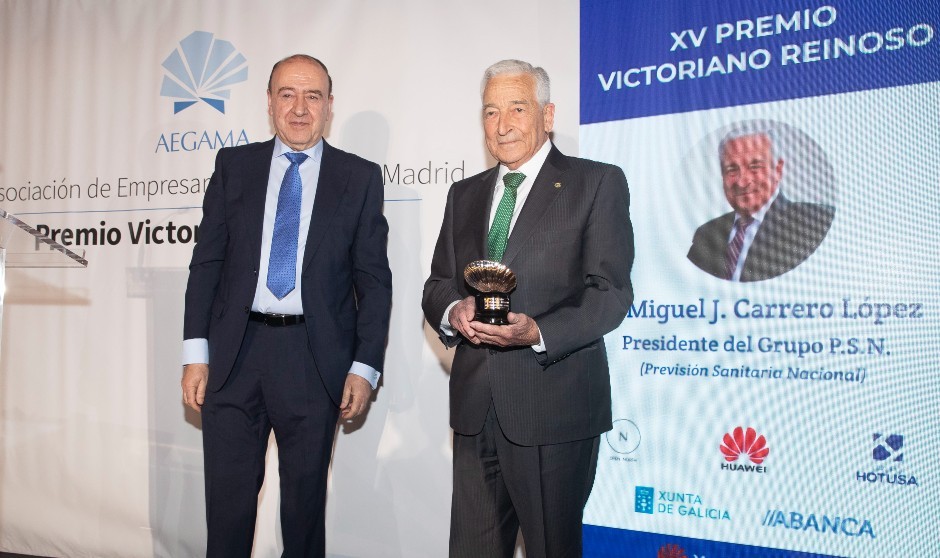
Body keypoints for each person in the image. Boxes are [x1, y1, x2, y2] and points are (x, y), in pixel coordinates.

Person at [180, 54, 392, 558]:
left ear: (329, 106)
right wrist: (195, 352)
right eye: (287, 95)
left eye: (312, 96)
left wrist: (364, 367)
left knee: (303, 515)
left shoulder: (359, 177)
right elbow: (206, 263)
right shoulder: (234, 167)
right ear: (269, 102)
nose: (299, 108)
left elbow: (374, 281)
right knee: (227, 512)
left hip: (313, 361)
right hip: (233, 357)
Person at [422, 59, 633, 558]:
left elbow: (609, 293)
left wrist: (538, 332)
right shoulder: (464, 194)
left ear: (547, 115)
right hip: (475, 409)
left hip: (553, 408)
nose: (503, 125)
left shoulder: (595, 182)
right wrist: (453, 310)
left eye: (517, 108)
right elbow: (438, 284)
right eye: (491, 111)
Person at [687, 126, 834, 281]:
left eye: (755, 167)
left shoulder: (815, 223)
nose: (742, 182)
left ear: (778, 170)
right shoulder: (706, 235)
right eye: (732, 169)